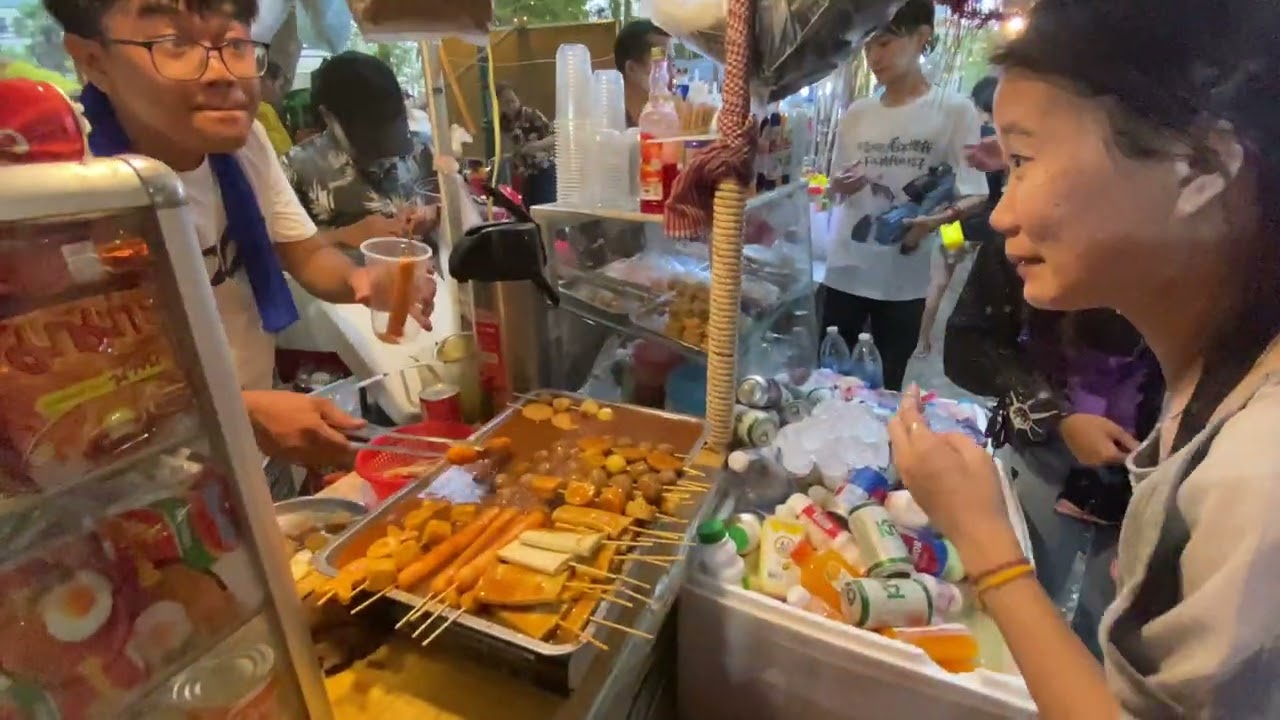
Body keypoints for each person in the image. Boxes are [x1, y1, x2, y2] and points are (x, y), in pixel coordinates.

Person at [890, 0, 1280, 715]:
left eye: (1025, 160)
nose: (1002, 213)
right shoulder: (1218, 387)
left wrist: (988, 547)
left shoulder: (1258, 473)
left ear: (1199, 165)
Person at [45, 0, 436, 468]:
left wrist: (361, 283)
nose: (222, 73)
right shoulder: (60, 188)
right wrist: (238, 409)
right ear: (92, 61)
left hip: (254, 450)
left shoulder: (244, 144)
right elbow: (58, 399)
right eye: (176, 44)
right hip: (140, 479)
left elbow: (307, 254)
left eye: (234, 43)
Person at [945, 227, 1163, 657]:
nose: (1005, 209)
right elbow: (967, 344)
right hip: (1040, 458)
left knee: (1115, 630)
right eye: (1017, 166)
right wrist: (1055, 416)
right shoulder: (1024, 227)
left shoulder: (1205, 251)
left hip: (1158, 478)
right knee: (1011, 610)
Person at [820, 0, 987, 391]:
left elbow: (975, 193)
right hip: (845, 269)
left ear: (921, 37)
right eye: (868, 45)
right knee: (827, 382)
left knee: (886, 386)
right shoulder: (857, 113)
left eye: (886, 42)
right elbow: (834, 187)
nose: (874, 56)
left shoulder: (953, 110)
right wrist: (839, 186)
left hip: (903, 282)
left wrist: (932, 223)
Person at [281, 51, 439, 249]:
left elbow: (455, 207)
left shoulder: (419, 151)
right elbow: (273, 253)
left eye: (389, 125)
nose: (382, 150)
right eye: (370, 133)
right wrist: (343, 236)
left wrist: (435, 213)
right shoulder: (294, 170)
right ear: (329, 117)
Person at [912, 76, 1002, 358]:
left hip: (957, 223)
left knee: (939, 282)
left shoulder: (965, 138)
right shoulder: (1005, 140)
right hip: (990, 225)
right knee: (984, 285)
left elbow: (948, 183)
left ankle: (922, 341)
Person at [496, 82, 555, 206]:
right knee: (529, 208)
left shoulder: (532, 115)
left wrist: (536, 146)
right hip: (525, 174)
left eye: (513, 100)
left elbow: (555, 137)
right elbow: (509, 145)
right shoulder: (503, 123)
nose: (511, 105)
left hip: (544, 169)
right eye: (506, 103)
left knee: (545, 205)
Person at [614, 19, 670, 128]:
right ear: (632, 69)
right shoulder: (612, 126)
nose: (669, 71)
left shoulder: (666, 121)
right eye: (661, 60)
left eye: (670, 61)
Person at [256, 61, 291, 155]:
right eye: (279, 86)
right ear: (266, 80)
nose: (279, 93)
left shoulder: (265, 108)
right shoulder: (261, 111)